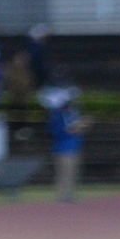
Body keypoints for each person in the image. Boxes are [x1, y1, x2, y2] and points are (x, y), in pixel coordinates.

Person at [42, 72, 89, 203]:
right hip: (64, 146)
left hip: (73, 145)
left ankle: (68, 195)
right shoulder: (58, 114)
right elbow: (58, 130)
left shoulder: (72, 113)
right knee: (64, 172)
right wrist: (77, 127)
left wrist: (81, 126)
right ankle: (62, 196)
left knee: (72, 172)